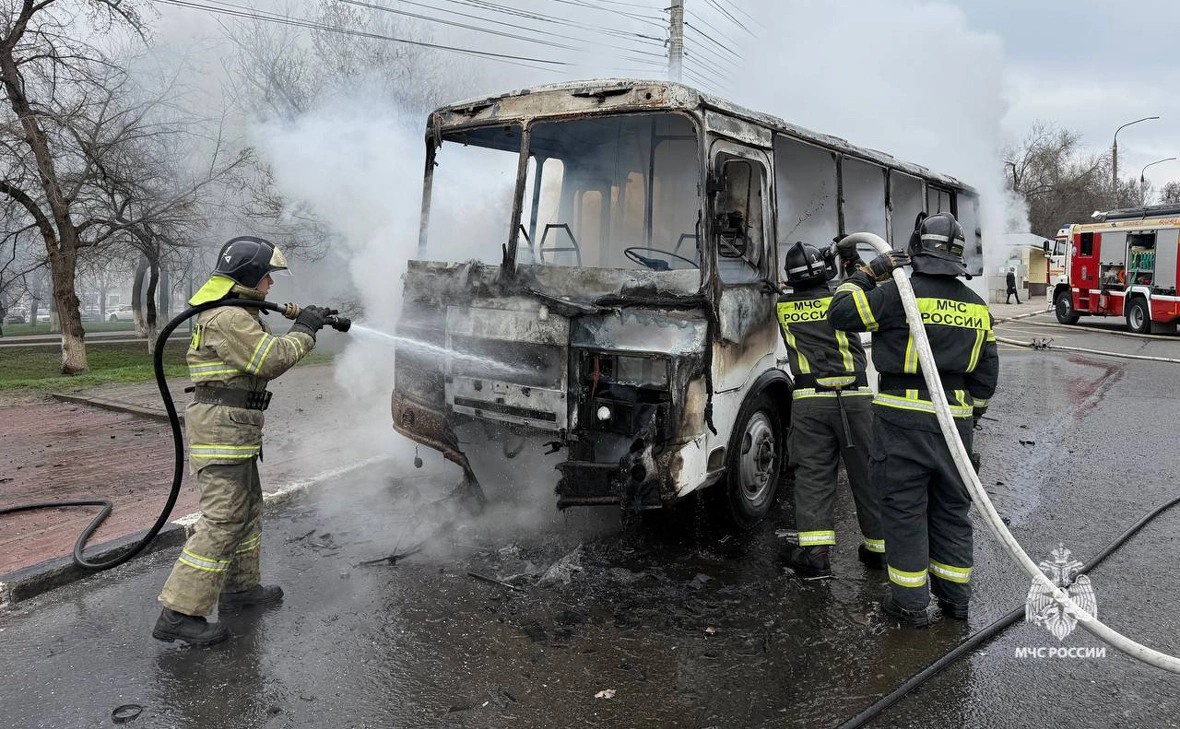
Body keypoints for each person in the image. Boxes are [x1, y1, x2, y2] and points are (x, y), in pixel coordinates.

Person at [153, 236, 335, 645]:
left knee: (247, 509)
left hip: (234, 429)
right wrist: (305, 330)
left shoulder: (237, 313)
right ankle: (179, 612)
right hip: (222, 431)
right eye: (267, 275)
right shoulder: (228, 318)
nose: (271, 284)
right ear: (250, 276)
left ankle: (240, 588)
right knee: (222, 518)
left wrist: (303, 322)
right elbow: (269, 359)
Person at [828, 213, 998, 627]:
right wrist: (968, 416)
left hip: (901, 419)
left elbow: (841, 312)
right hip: (955, 425)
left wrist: (869, 272)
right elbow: (987, 375)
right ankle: (956, 600)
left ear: (918, 248)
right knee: (951, 511)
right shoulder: (977, 307)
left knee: (904, 510)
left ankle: (910, 605)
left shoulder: (896, 293)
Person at [776, 241, 884, 579]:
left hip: (809, 400)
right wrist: (857, 264)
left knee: (813, 476)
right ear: (825, 271)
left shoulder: (784, 306)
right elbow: (860, 293)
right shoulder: (842, 298)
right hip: (855, 397)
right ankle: (880, 550)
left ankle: (816, 557)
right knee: (868, 473)